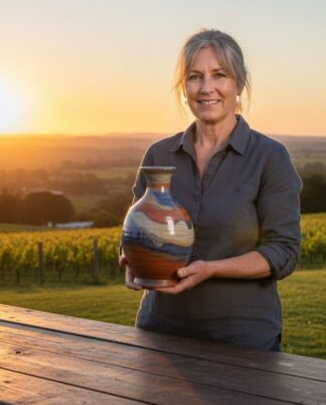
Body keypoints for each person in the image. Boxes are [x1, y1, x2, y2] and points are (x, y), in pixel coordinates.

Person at [118, 29, 302, 352]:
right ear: (183, 86)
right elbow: (132, 236)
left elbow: (283, 251)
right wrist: (130, 261)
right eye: (194, 77)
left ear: (239, 83)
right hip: (160, 333)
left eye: (219, 75)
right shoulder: (158, 156)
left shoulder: (270, 158)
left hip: (243, 341)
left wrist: (212, 269)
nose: (206, 88)